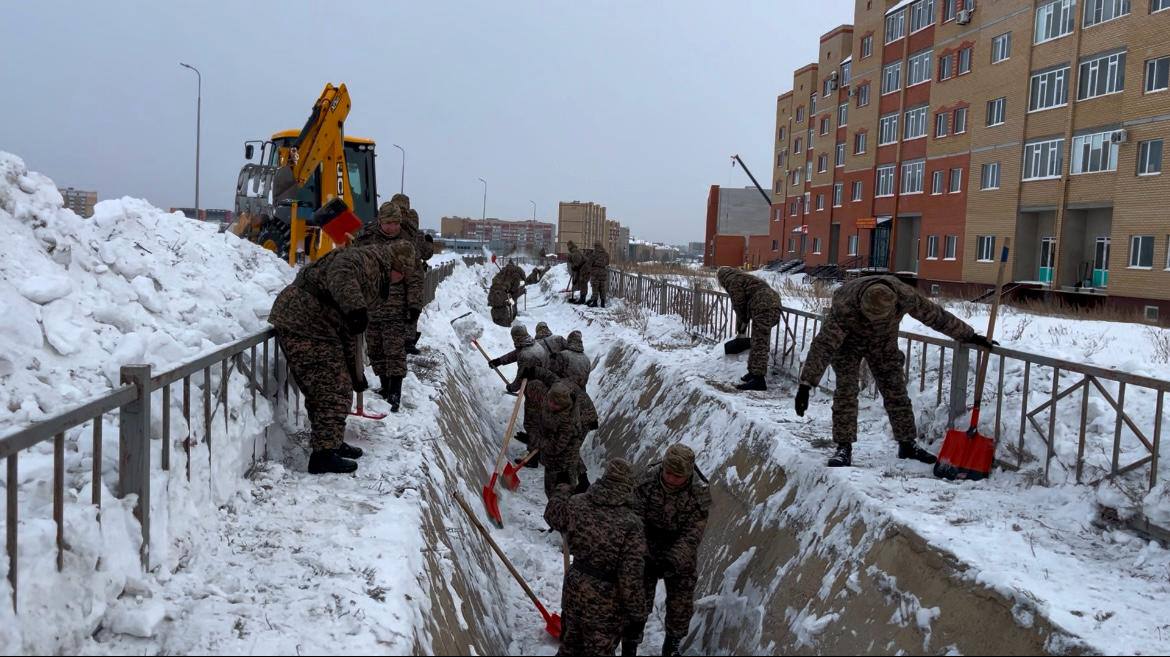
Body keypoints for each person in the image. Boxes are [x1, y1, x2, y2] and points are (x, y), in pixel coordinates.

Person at [796, 275, 994, 467]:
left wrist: (969, 335)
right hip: (848, 344)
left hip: (882, 344)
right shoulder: (845, 305)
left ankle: (907, 444)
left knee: (896, 391)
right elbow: (824, 345)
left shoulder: (905, 296)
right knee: (846, 393)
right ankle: (843, 447)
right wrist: (806, 384)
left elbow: (936, 316)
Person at [268, 241, 415, 474]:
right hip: (304, 320)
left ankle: (331, 442)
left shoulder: (374, 270)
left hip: (319, 325)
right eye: (403, 274)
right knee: (331, 387)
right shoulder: (370, 261)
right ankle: (323, 455)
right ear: (396, 267)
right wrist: (357, 309)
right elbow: (341, 270)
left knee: (338, 383)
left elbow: (350, 330)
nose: (402, 279)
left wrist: (355, 374)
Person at [544, 458, 647, 656]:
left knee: (569, 647)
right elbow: (630, 576)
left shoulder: (577, 503)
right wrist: (637, 614)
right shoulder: (631, 524)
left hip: (574, 588)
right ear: (628, 486)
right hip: (606, 601)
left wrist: (563, 489)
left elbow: (552, 515)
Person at [630, 445, 710, 657]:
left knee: (681, 600)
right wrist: (643, 550)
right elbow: (633, 519)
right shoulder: (647, 480)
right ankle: (630, 641)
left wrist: (673, 560)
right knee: (635, 595)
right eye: (668, 473)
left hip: (678, 547)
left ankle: (672, 645)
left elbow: (693, 533)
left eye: (677, 476)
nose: (671, 479)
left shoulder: (699, 491)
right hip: (646, 541)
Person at [351, 203, 421, 411]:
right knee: (375, 348)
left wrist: (414, 305)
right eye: (388, 223)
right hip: (371, 305)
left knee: (394, 349)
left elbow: (415, 277)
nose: (392, 227)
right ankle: (384, 385)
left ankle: (395, 391)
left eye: (396, 223)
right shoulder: (366, 240)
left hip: (396, 305)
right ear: (380, 222)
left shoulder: (406, 243)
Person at [716, 267, 781, 392]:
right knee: (758, 340)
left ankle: (758, 380)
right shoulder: (744, 278)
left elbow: (739, 303)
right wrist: (743, 322)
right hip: (769, 303)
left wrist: (742, 323)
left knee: (759, 343)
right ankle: (753, 373)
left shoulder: (733, 281)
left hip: (763, 305)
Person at [402, 207, 434, 354]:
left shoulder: (387, 229)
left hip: (393, 279)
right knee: (412, 309)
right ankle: (408, 341)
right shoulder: (416, 234)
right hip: (413, 278)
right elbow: (426, 254)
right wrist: (429, 243)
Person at [586, 241, 610, 308]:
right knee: (602, 289)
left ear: (596, 246)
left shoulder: (594, 254)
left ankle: (595, 303)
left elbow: (589, 263)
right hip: (603, 273)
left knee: (595, 288)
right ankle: (602, 303)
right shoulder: (606, 254)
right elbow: (607, 263)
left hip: (595, 273)